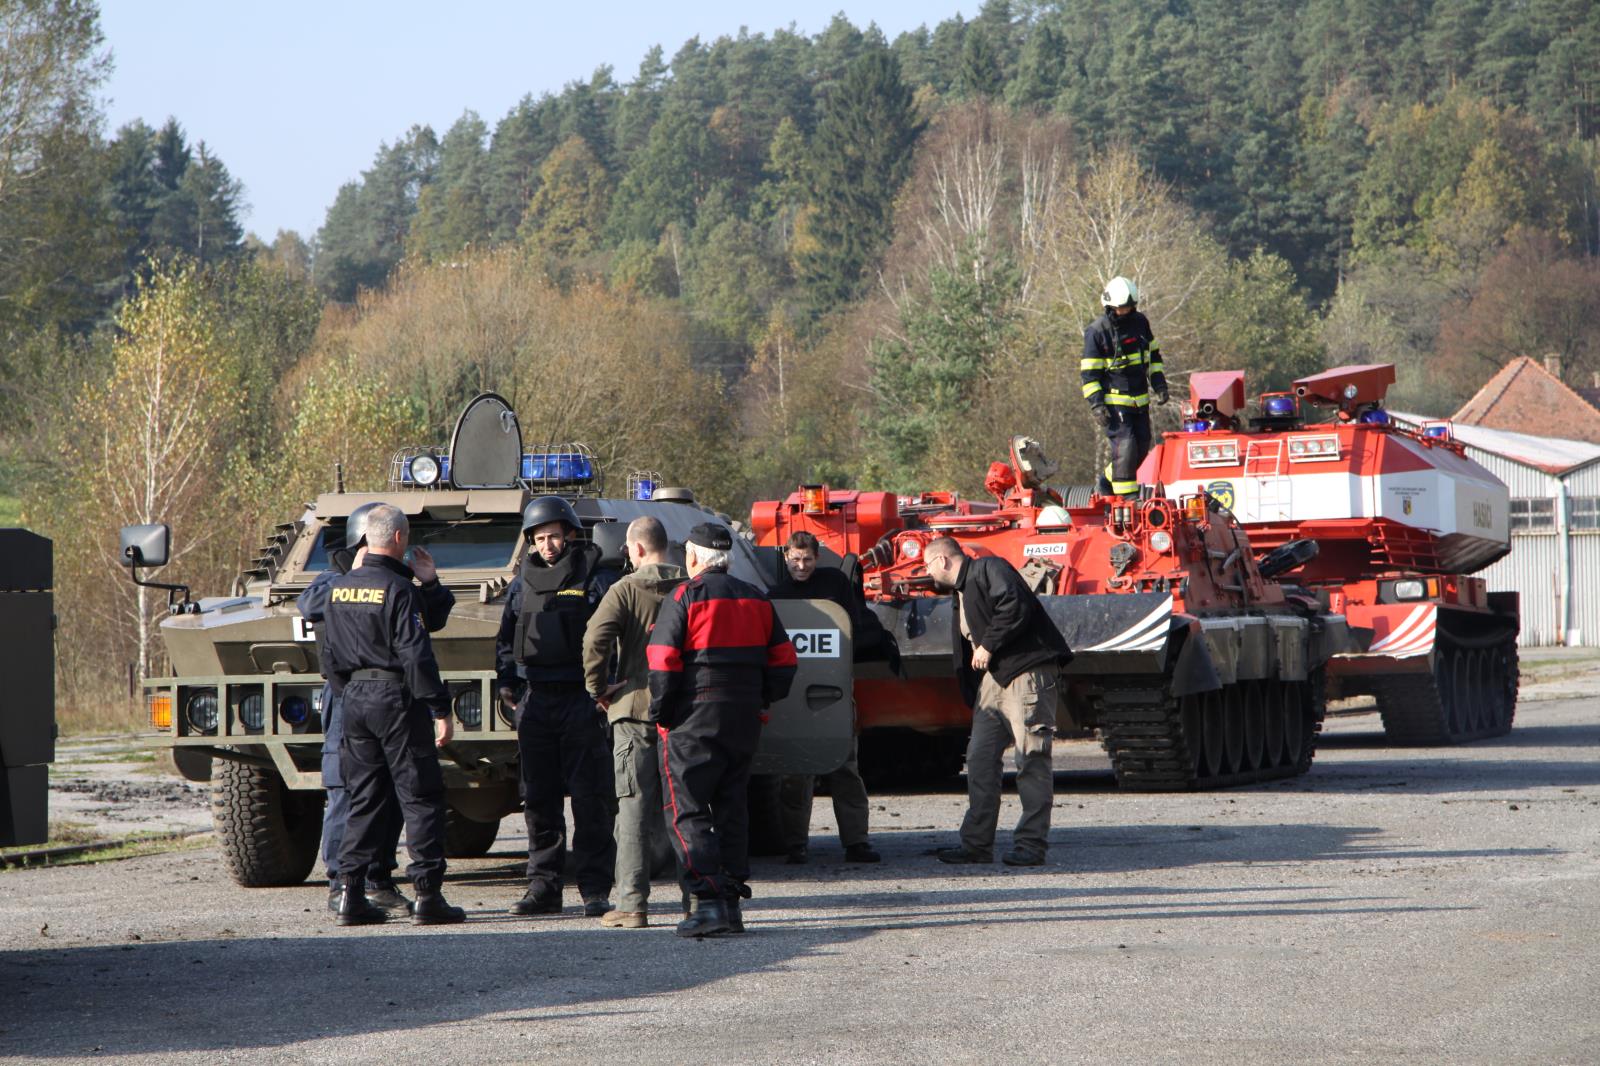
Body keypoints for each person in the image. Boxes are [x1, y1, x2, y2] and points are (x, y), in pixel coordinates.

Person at [298, 501, 455, 916]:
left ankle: (350, 895)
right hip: (396, 699)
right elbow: (416, 654)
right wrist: (439, 708)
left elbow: (328, 653)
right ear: (400, 538)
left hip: (354, 701)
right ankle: (427, 896)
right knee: (420, 795)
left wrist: (347, 693)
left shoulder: (338, 587)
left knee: (363, 798)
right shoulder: (399, 590)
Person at [648, 522, 797, 938]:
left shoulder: (683, 596)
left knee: (686, 809)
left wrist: (662, 713)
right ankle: (730, 903)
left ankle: (708, 902)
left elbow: (661, 663)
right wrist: (761, 698)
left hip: (692, 716)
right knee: (733, 807)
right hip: (744, 716)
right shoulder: (757, 599)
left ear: (692, 557)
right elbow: (785, 662)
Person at [495, 495, 618, 918]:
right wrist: (507, 683)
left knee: (591, 799)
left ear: (569, 535)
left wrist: (605, 689)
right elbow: (507, 639)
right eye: (541, 538)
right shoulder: (520, 583)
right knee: (539, 800)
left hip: (582, 701)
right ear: (531, 541)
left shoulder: (593, 577)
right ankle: (544, 888)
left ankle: (595, 889)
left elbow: (609, 637)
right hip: (537, 701)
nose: (548, 545)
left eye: (555, 536)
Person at [921, 536, 1072, 867]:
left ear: (943, 561)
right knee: (979, 758)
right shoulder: (961, 594)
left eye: (927, 565)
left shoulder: (989, 568)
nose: (927, 574)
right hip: (994, 680)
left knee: (1030, 757)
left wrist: (988, 645)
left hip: (1027, 671)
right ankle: (976, 844)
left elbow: (1016, 603)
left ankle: (1031, 845)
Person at [581, 515, 687, 929]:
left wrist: (600, 689)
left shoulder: (624, 589)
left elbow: (594, 640)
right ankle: (694, 901)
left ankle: (632, 905)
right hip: (682, 712)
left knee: (634, 810)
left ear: (637, 549)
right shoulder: (689, 586)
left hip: (633, 711)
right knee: (686, 810)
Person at [770, 531, 880, 865]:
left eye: (807, 560)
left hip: (833, 692)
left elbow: (853, 629)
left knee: (846, 768)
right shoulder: (776, 596)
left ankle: (856, 841)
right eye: (795, 559)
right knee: (795, 772)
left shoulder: (835, 586)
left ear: (817, 558)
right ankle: (795, 844)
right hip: (794, 697)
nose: (801, 566)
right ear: (786, 556)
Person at [1081, 275, 1168, 497]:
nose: (1125, 311)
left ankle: (1107, 480)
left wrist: (1159, 384)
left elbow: (1153, 356)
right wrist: (1096, 405)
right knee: (1126, 447)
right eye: (1121, 308)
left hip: (1140, 400)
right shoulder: (1097, 331)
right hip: (1114, 402)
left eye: (1129, 307)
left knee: (1141, 448)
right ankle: (1128, 499)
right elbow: (1089, 373)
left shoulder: (1140, 323)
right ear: (1110, 306)